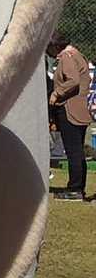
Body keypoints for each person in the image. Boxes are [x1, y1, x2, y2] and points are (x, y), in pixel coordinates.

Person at [49, 31, 92, 200]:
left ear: (55, 46)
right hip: (79, 109)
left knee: (73, 151)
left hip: (70, 110)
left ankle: (75, 189)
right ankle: (77, 187)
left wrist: (57, 93)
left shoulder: (67, 57)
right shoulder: (77, 54)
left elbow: (73, 80)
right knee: (77, 151)